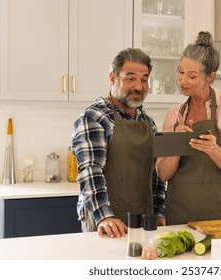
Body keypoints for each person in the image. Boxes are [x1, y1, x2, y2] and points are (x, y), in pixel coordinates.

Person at [155, 31, 221, 225]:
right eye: (180, 72)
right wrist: (177, 146)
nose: (182, 80)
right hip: (180, 215)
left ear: (210, 77)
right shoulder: (173, 115)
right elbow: (163, 174)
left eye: (191, 76)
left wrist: (213, 150)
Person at [71, 48, 166, 238]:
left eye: (144, 79)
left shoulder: (147, 122)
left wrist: (159, 211)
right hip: (107, 223)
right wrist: (105, 217)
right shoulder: (95, 117)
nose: (139, 86)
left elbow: (156, 175)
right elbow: (91, 171)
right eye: (130, 78)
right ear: (113, 78)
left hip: (143, 219)